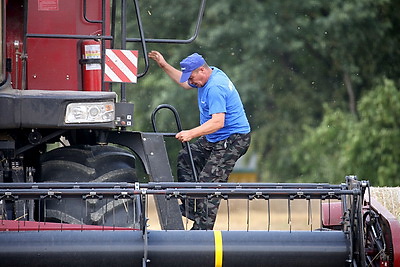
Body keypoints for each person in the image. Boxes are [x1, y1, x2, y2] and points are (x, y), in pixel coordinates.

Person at [148, 51, 251, 230]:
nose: (191, 82)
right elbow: (184, 82)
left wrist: (191, 133)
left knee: (209, 183)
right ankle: (190, 206)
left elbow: (218, 122)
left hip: (233, 139)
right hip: (215, 138)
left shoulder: (215, 87)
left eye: (192, 77)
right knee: (186, 158)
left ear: (202, 70)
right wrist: (163, 65)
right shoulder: (206, 76)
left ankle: (202, 230)